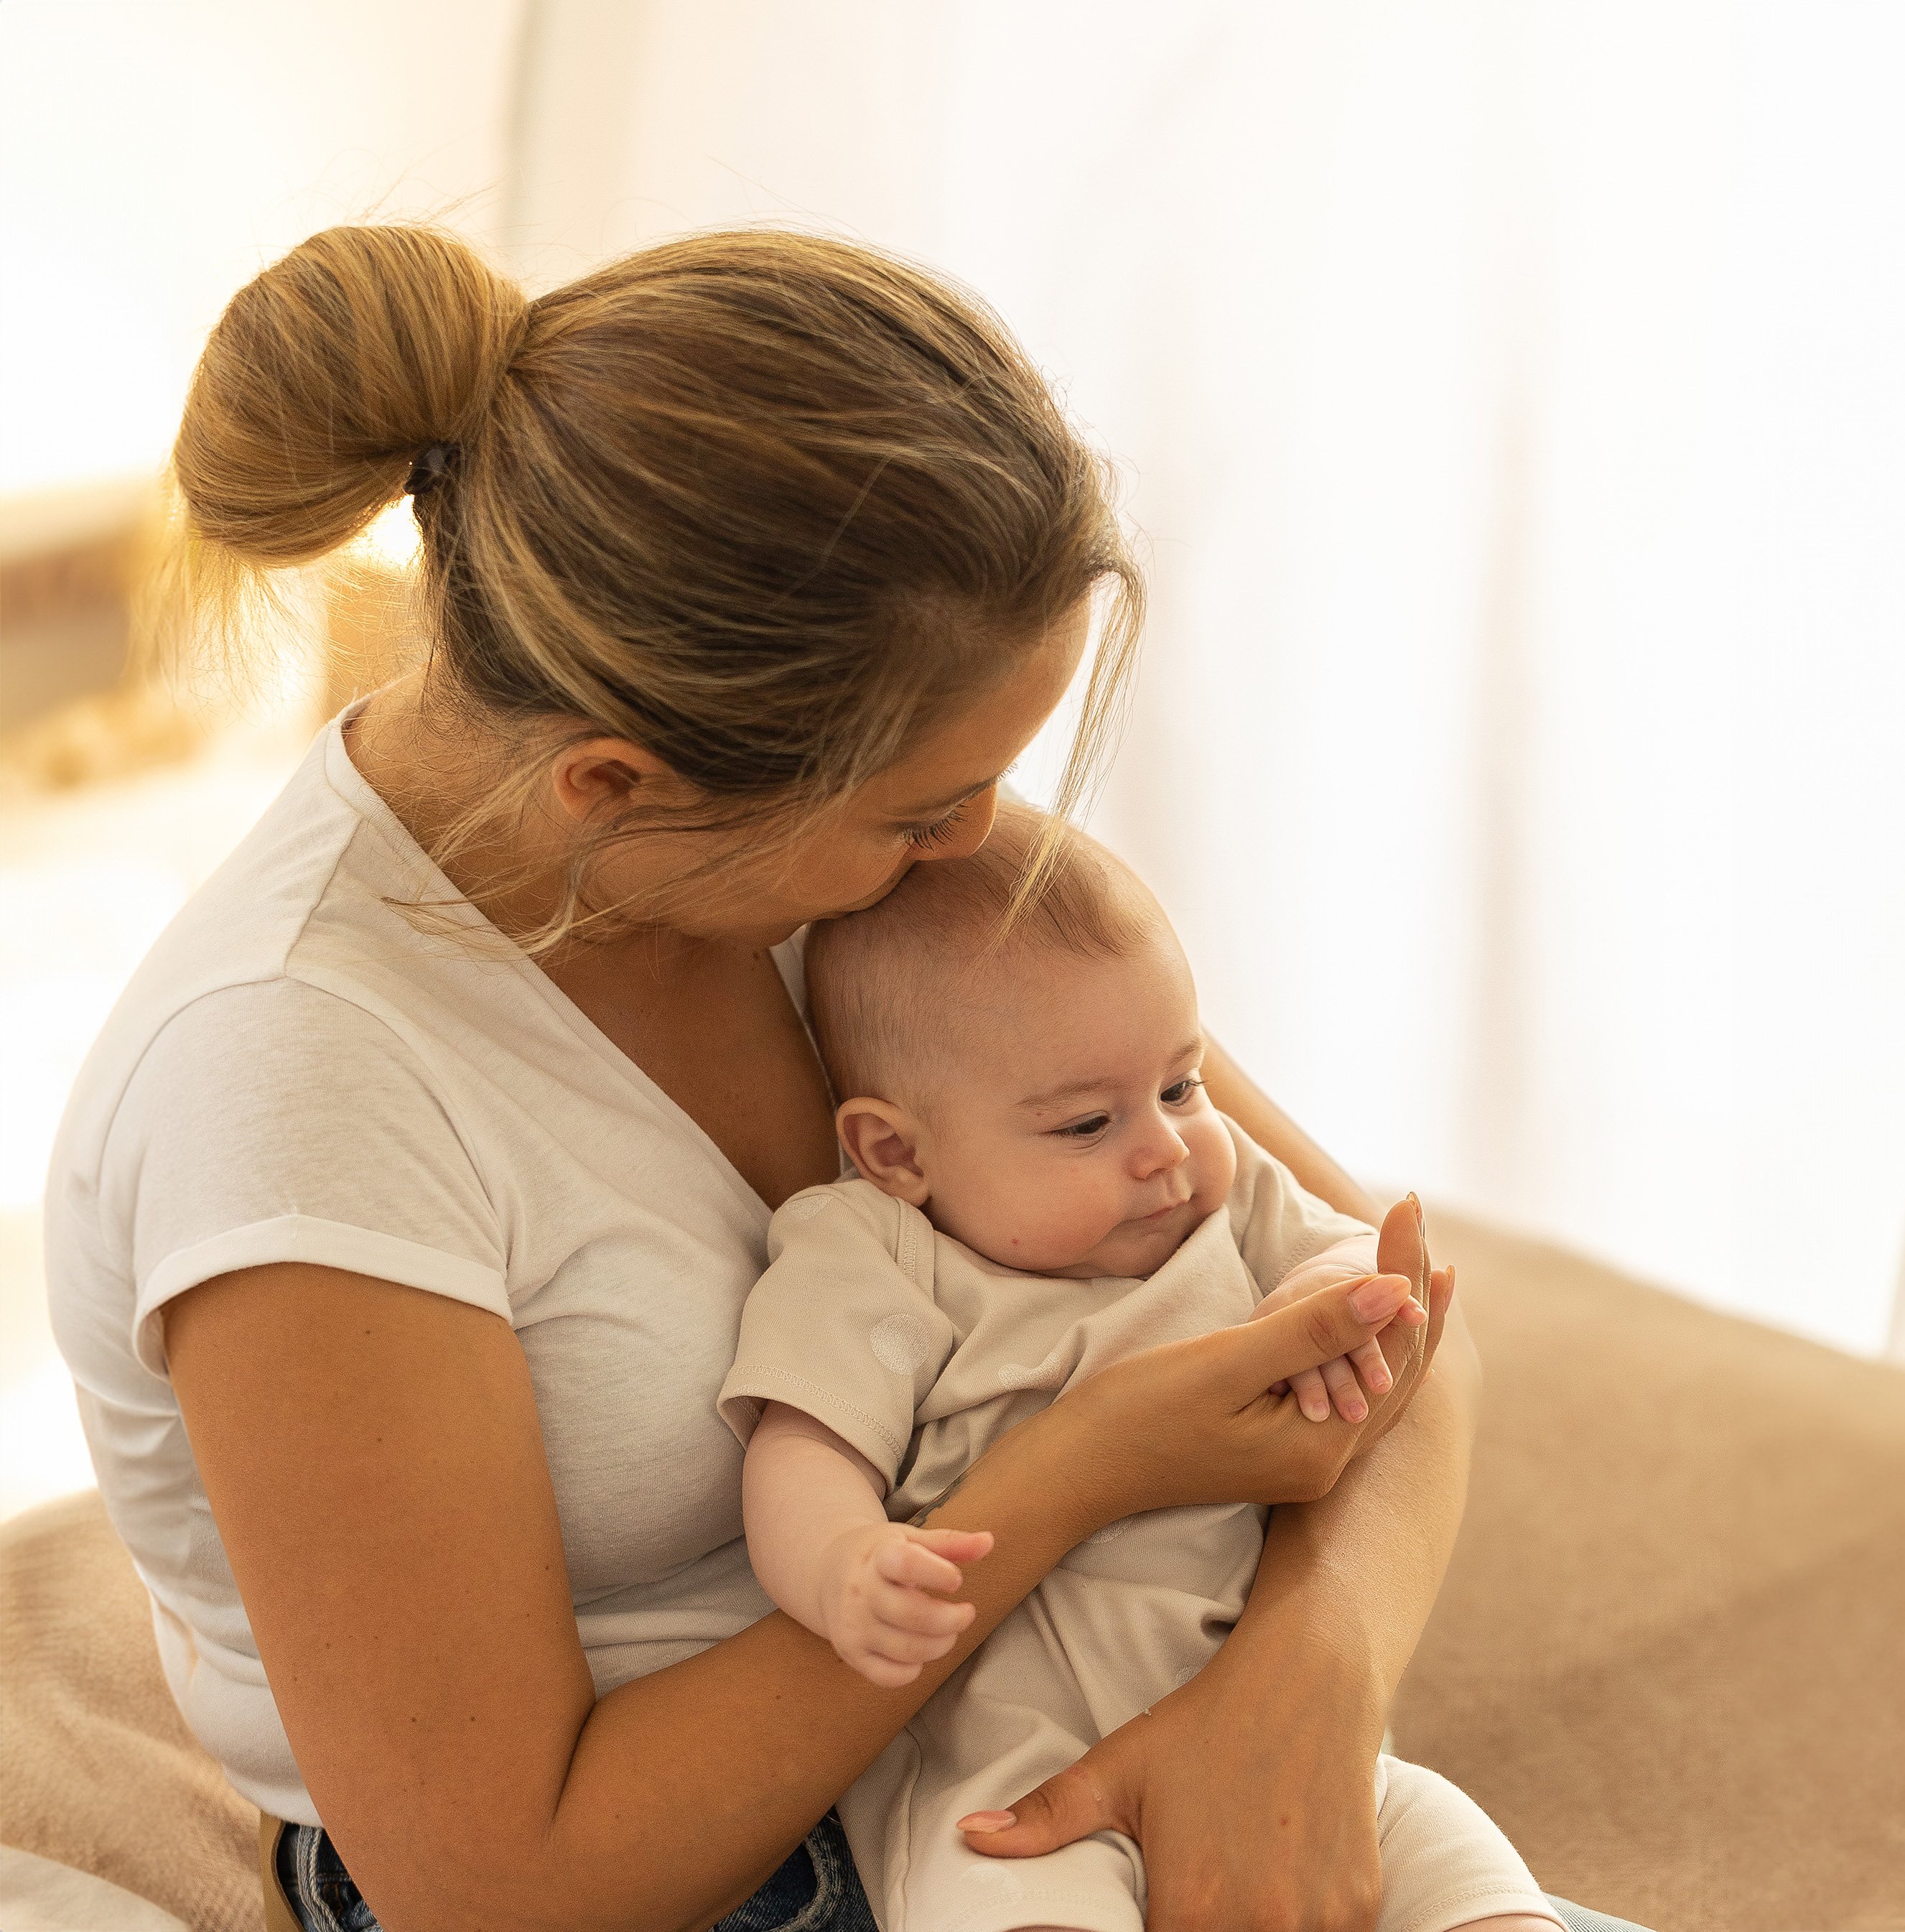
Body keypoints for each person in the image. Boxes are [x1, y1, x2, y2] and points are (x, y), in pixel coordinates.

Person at [45, 222, 1648, 1931]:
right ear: (613, 783)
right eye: (921, 809)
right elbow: (502, 1884)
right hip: (691, 1866)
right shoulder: (296, 1089)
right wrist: (1076, 1473)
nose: (981, 847)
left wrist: (1295, 1692)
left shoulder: (858, 879)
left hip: (1039, 1704)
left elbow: (1397, 1306)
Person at [723, 809, 1565, 1932]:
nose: (1164, 1145)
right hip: (1007, 1782)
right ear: (898, 1153)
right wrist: (840, 1563)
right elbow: (803, 1441)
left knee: (1468, 1881)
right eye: (1086, 1122)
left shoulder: (1223, 1201)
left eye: (1180, 1084)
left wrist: (1333, 1300)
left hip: (1271, 1746)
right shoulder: (870, 1251)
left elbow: (1360, 1255)